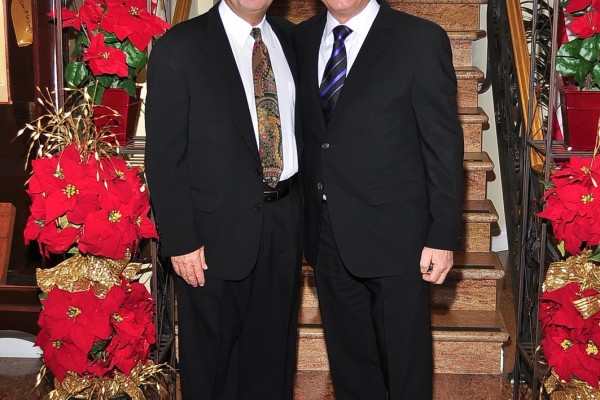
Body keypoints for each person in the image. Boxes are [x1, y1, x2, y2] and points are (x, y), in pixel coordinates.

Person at [295, 0, 464, 398]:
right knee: (350, 368)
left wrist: (442, 236)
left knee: (406, 371)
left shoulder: (420, 40)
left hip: (398, 239)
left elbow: (443, 147)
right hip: (326, 235)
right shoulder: (301, 38)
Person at [144, 1, 302, 399]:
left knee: (272, 366)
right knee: (211, 373)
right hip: (210, 240)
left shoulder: (292, 39)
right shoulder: (179, 47)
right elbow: (164, 157)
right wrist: (180, 239)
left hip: (284, 226)